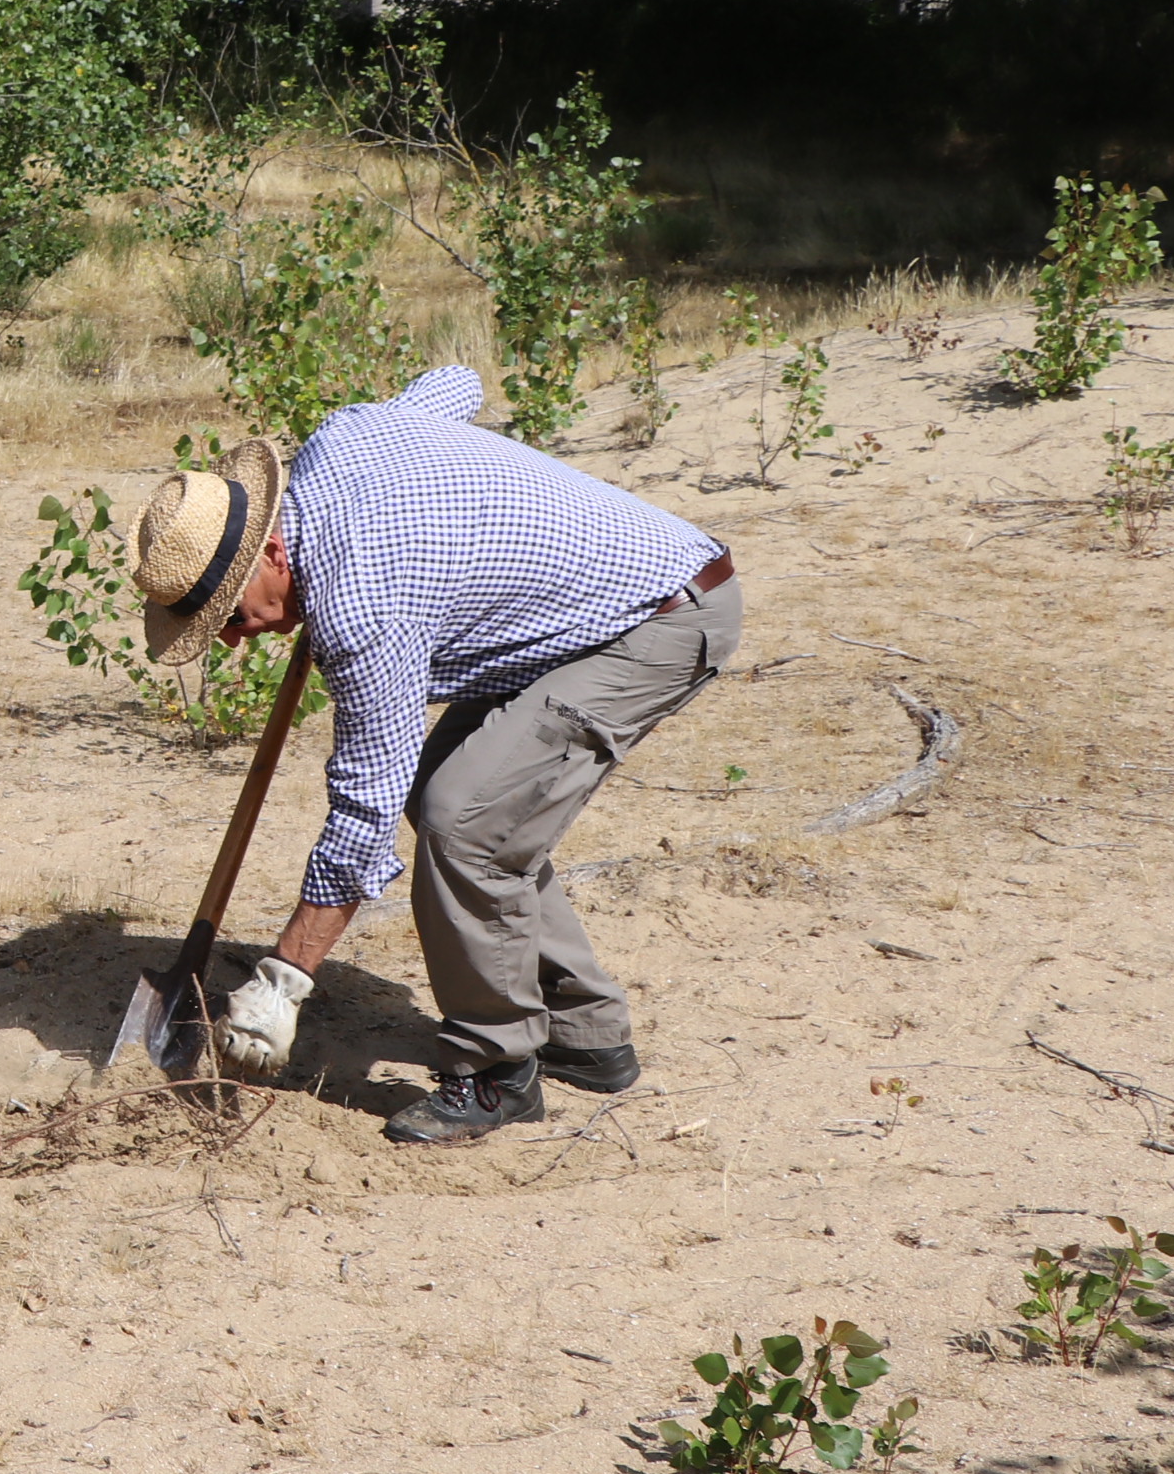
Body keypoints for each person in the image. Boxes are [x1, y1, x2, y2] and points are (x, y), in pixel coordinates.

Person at [135, 363, 737, 1143]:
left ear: (274, 552)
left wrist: (285, 979)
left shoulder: (362, 605)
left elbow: (364, 809)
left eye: (228, 612)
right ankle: (586, 1034)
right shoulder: (340, 437)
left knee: (465, 819)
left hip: (657, 620)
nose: (227, 636)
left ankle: (496, 1071)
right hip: (588, 613)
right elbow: (454, 382)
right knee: (458, 801)